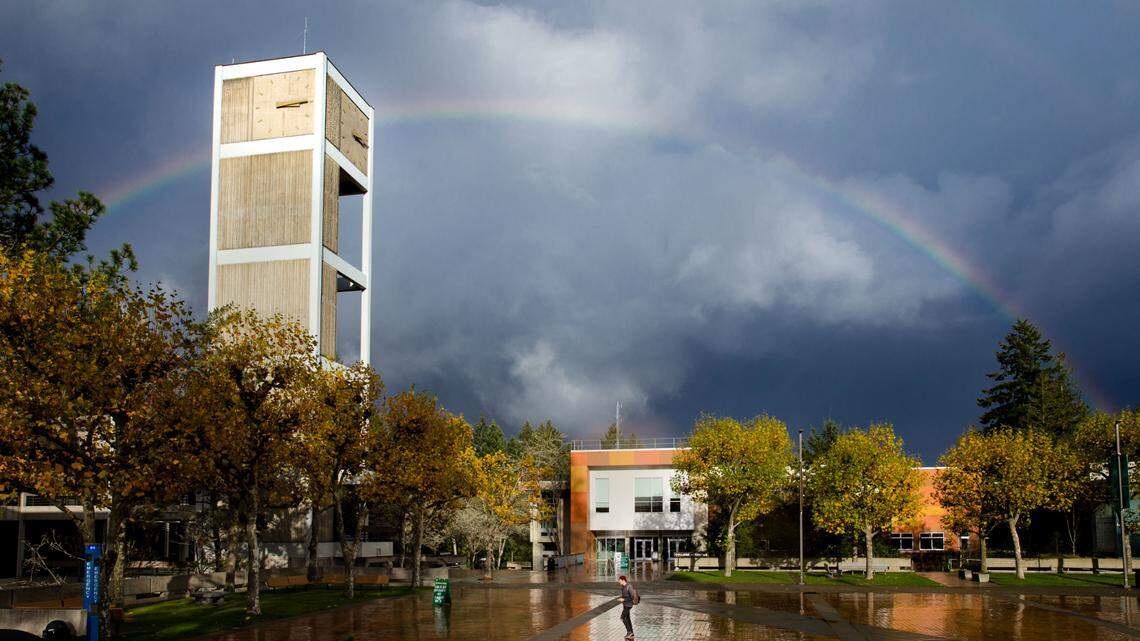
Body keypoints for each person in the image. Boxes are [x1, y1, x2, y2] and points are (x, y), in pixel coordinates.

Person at [617, 574, 638, 639]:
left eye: (620, 580)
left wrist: (624, 599)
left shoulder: (629, 586)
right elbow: (625, 596)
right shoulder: (623, 587)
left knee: (622, 618)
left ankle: (629, 632)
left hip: (628, 605)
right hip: (625, 605)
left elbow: (632, 597)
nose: (619, 582)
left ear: (623, 580)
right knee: (628, 619)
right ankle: (631, 634)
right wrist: (621, 599)